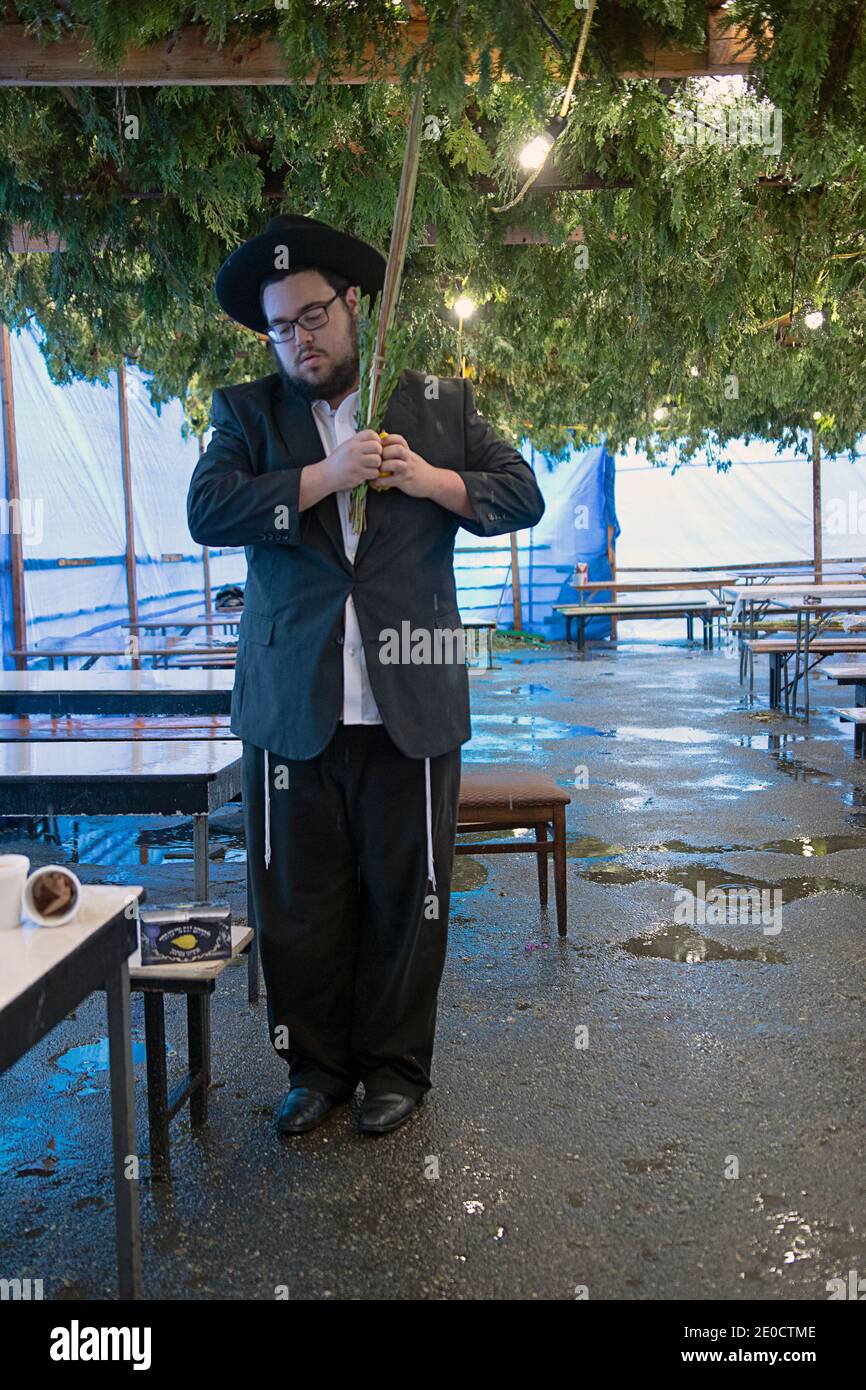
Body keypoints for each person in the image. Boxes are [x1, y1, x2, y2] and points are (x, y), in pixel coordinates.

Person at [187, 213, 545, 1136]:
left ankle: (396, 1068)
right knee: (296, 900)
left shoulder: (436, 403)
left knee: (407, 892)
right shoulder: (245, 413)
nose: (297, 340)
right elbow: (209, 510)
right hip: (290, 705)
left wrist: (427, 478)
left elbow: (522, 494)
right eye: (279, 328)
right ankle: (315, 1070)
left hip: (410, 699)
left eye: (311, 316)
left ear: (352, 305)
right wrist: (324, 473)